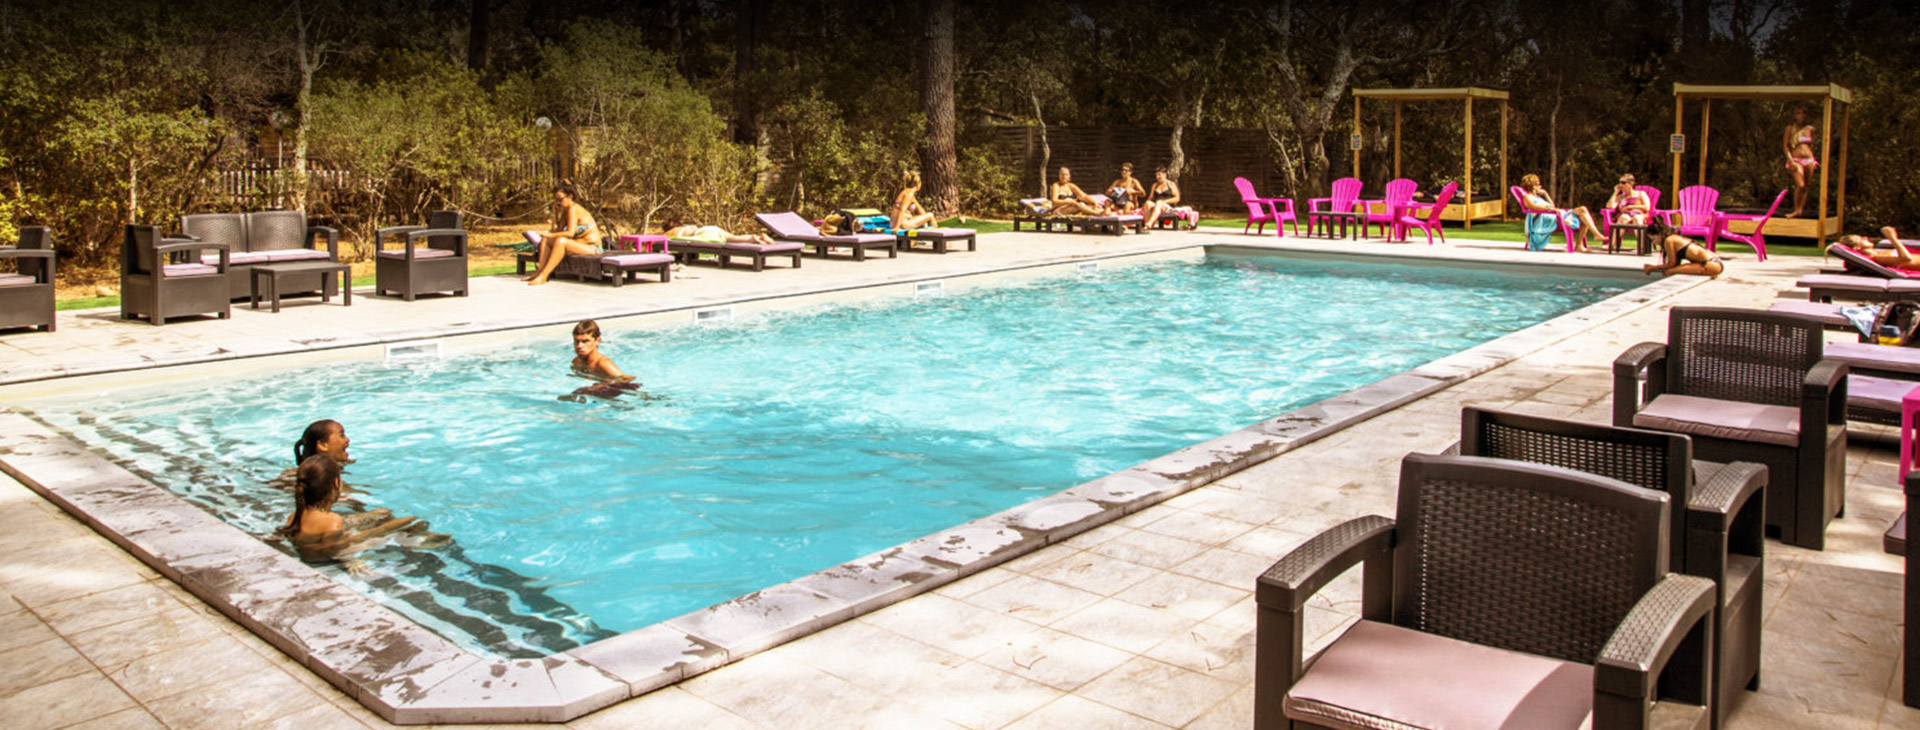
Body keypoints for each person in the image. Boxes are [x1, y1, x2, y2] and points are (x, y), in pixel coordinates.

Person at [278, 455, 437, 572]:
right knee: (407, 522)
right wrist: (352, 561)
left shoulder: (294, 515)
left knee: (382, 513)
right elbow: (334, 551)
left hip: (318, 547)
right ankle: (427, 543)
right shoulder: (333, 521)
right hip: (327, 556)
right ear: (336, 484)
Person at [524, 181, 605, 286]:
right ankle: (539, 272)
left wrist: (549, 235)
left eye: (560, 199)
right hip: (578, 245)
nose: (558, 202)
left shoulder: (573, 208)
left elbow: (570, 233)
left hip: (593, 248)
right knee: (546, 240)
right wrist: (554, 214)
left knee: (561, 241)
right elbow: (557, 231)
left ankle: (544, 275)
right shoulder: (566, 210)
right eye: (556, 200)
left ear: (570, 196)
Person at [1517, 173, 1602, 252]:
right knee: (1583, 211)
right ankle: (1593, 236)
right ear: (1532, 186)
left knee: (1584, 215)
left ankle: (1582, 243)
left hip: (1556, 216)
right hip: (1549, 221)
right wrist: (1549, 208)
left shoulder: (1538, 197)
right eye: (1538, 184)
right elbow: (1533, 207)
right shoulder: (1527, 197)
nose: (1540, 186)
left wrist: (1546, 194)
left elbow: (1552, 206)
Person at [1643, 218, 1724, 279]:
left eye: (1653, 239)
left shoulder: (1669, 240)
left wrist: (1652, 268)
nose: (1654, 242)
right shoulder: (1673, 238)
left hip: (1710, 265)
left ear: (1660, 234)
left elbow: (1672, 264)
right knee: (1672, 270)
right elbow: (1675, 264)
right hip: (1715, 263)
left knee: (1670, 272)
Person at [1784, 106, 1819, 218]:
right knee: (1801, 185)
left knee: (1807, 185)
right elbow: (1785, 146)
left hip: (1809, 159)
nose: (1801, 115)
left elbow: (1810, 144)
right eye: (1799, 113)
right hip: (1796, 159)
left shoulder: (1809, 129)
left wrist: (1812, 158)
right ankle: (1795, 209)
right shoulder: (1790, 128)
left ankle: (1800, 210)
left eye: (1803, 113)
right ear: (1795, 115)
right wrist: (1791, 161)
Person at [1839, 227, 1919, 269]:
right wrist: (1892, 238)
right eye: (1861, 239)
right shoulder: (1877, 258)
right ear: (1857, 247)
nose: (1865, 237)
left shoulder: (1879, 253)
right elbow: (1906, 258)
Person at [665, 223, 776, 246]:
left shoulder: (672, 231)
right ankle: (757, 236)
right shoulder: (686, 226)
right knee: (733, 236)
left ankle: (753, 238)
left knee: (732, 239)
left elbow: (661, 238)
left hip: (704, 232)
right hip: (709, 228)